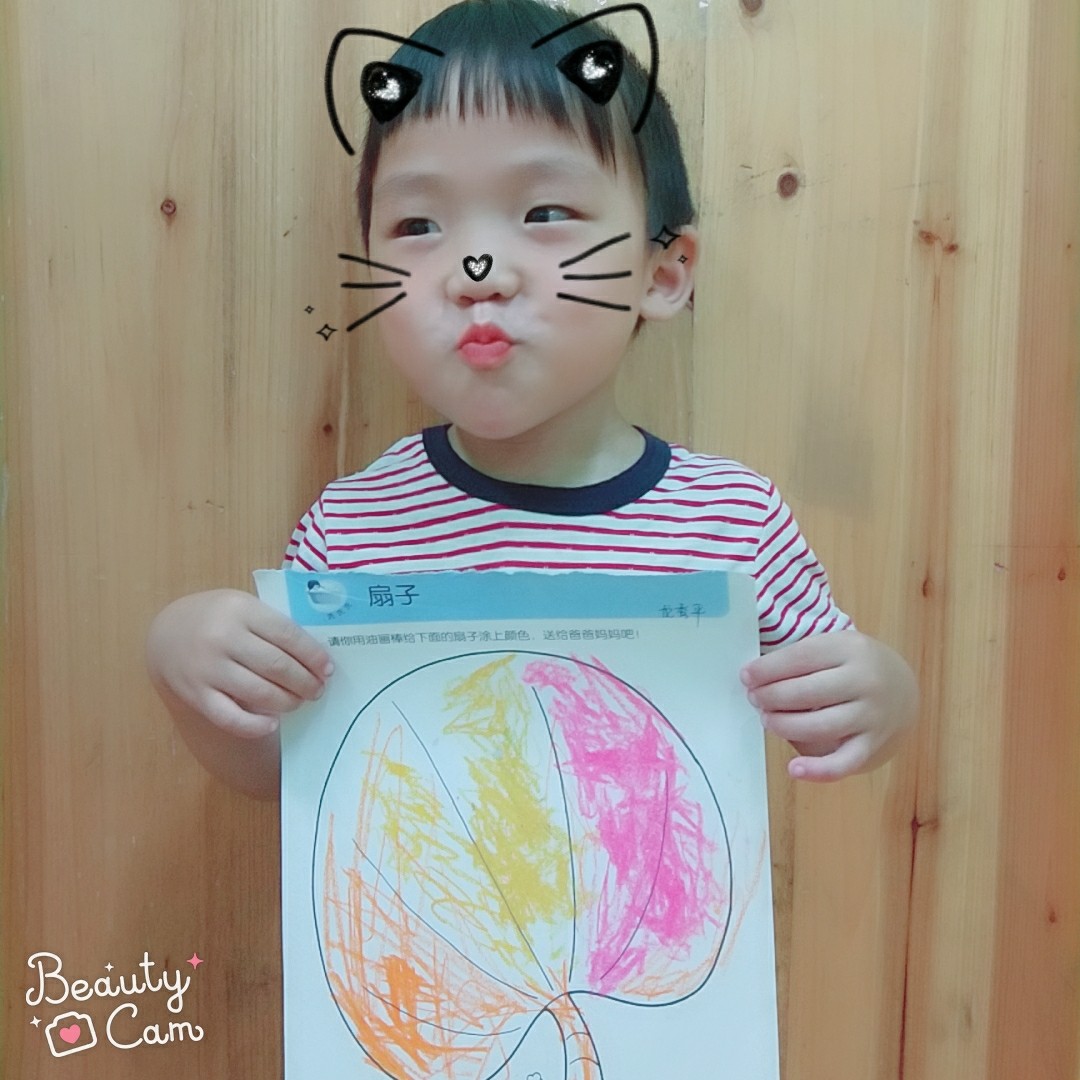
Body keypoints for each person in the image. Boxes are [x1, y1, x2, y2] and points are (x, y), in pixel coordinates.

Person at [146, 0, 917, 802]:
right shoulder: (354, 527)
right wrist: (179, 665)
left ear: (662, 274)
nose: (476, 270)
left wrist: (886, 698)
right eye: (418, 224)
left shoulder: (731, 520)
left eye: (545, 214)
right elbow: (290, 777)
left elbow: (833, 720)